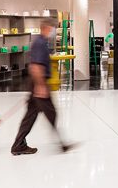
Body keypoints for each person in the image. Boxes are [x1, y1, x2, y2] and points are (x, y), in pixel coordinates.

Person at [11, 18, 73, 155]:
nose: (53, 31)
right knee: (51, 113)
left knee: (30, 116)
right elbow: (36, 66)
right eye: (52, 28)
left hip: (37, 83)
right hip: (39, 83)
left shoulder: (41, 42)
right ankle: (62, 144)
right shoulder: (39, 43)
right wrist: (40, 86)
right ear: (46, 28)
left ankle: (18, 145)